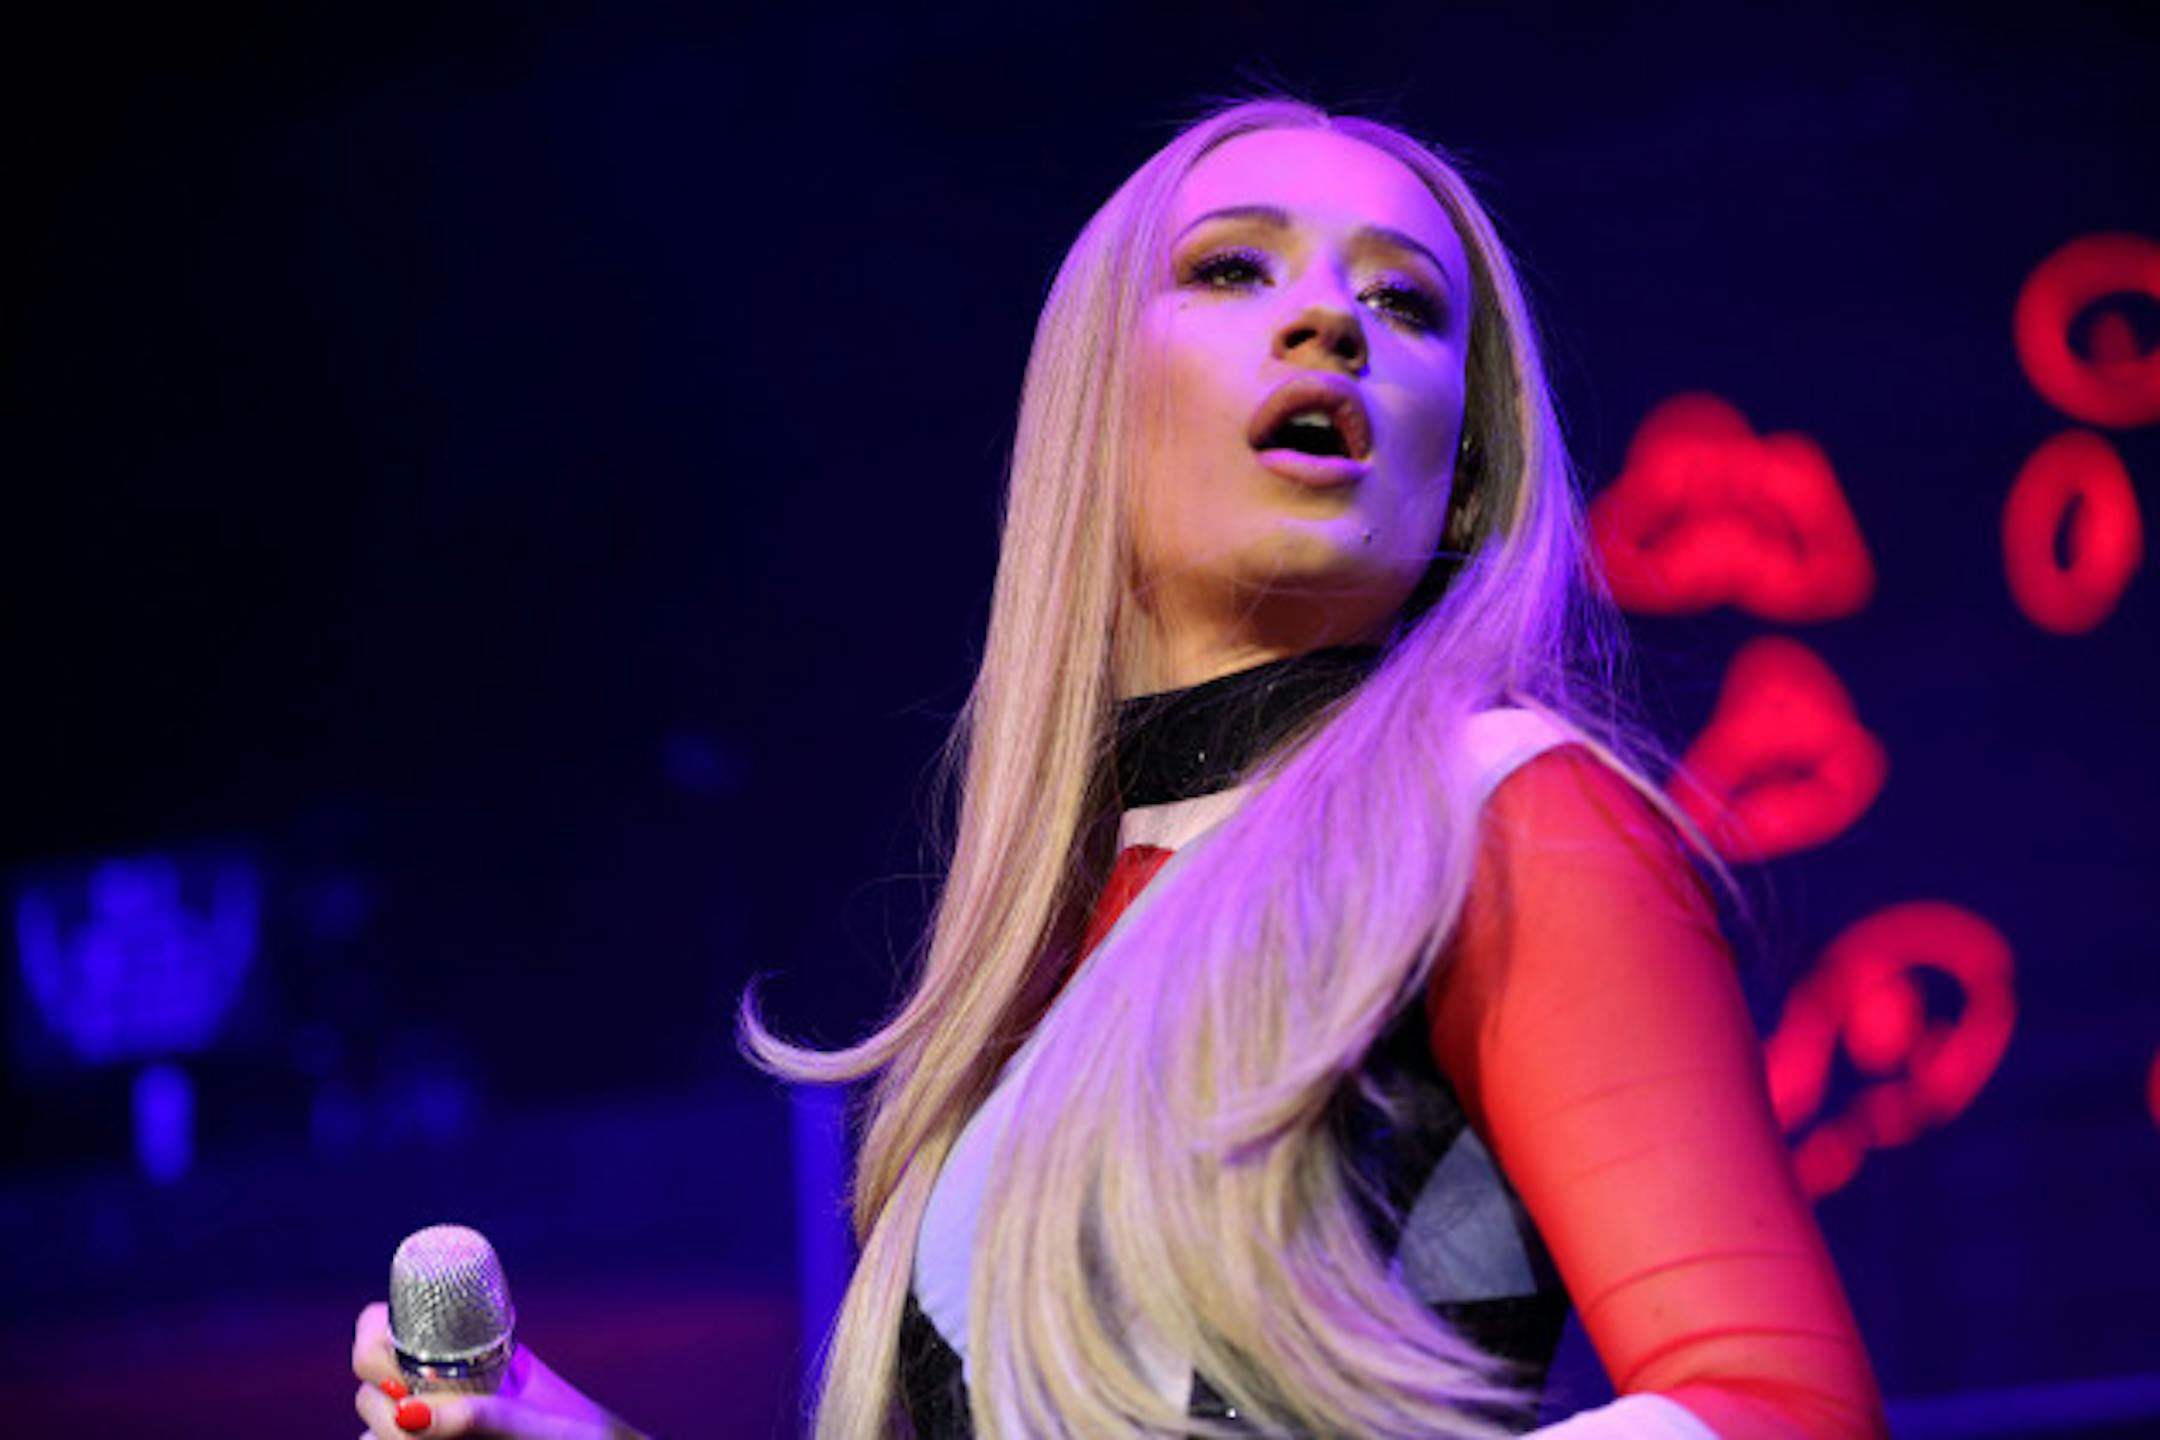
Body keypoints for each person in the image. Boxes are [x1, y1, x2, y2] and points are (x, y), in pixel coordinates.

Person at [353, 96, 1889, 1438]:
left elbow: (1775, 1404)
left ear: (1465, 474)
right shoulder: (1035, 973)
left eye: (1409, 307)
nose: (1332, 325)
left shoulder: (1497, 813)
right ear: (1093, 407)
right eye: (1233, 268)